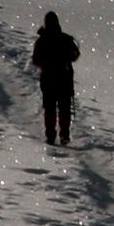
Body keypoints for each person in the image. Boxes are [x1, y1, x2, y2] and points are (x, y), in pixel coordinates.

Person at [30, 12, 82, 145]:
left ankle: (51, 135)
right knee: (64, 108)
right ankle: (64, 135)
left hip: (48, 79)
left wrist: (46, 63)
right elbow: (75, 56)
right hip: (64, 78)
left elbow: (36, 60)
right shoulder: (66, 39)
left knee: (50, 108)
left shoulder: (41, 41)